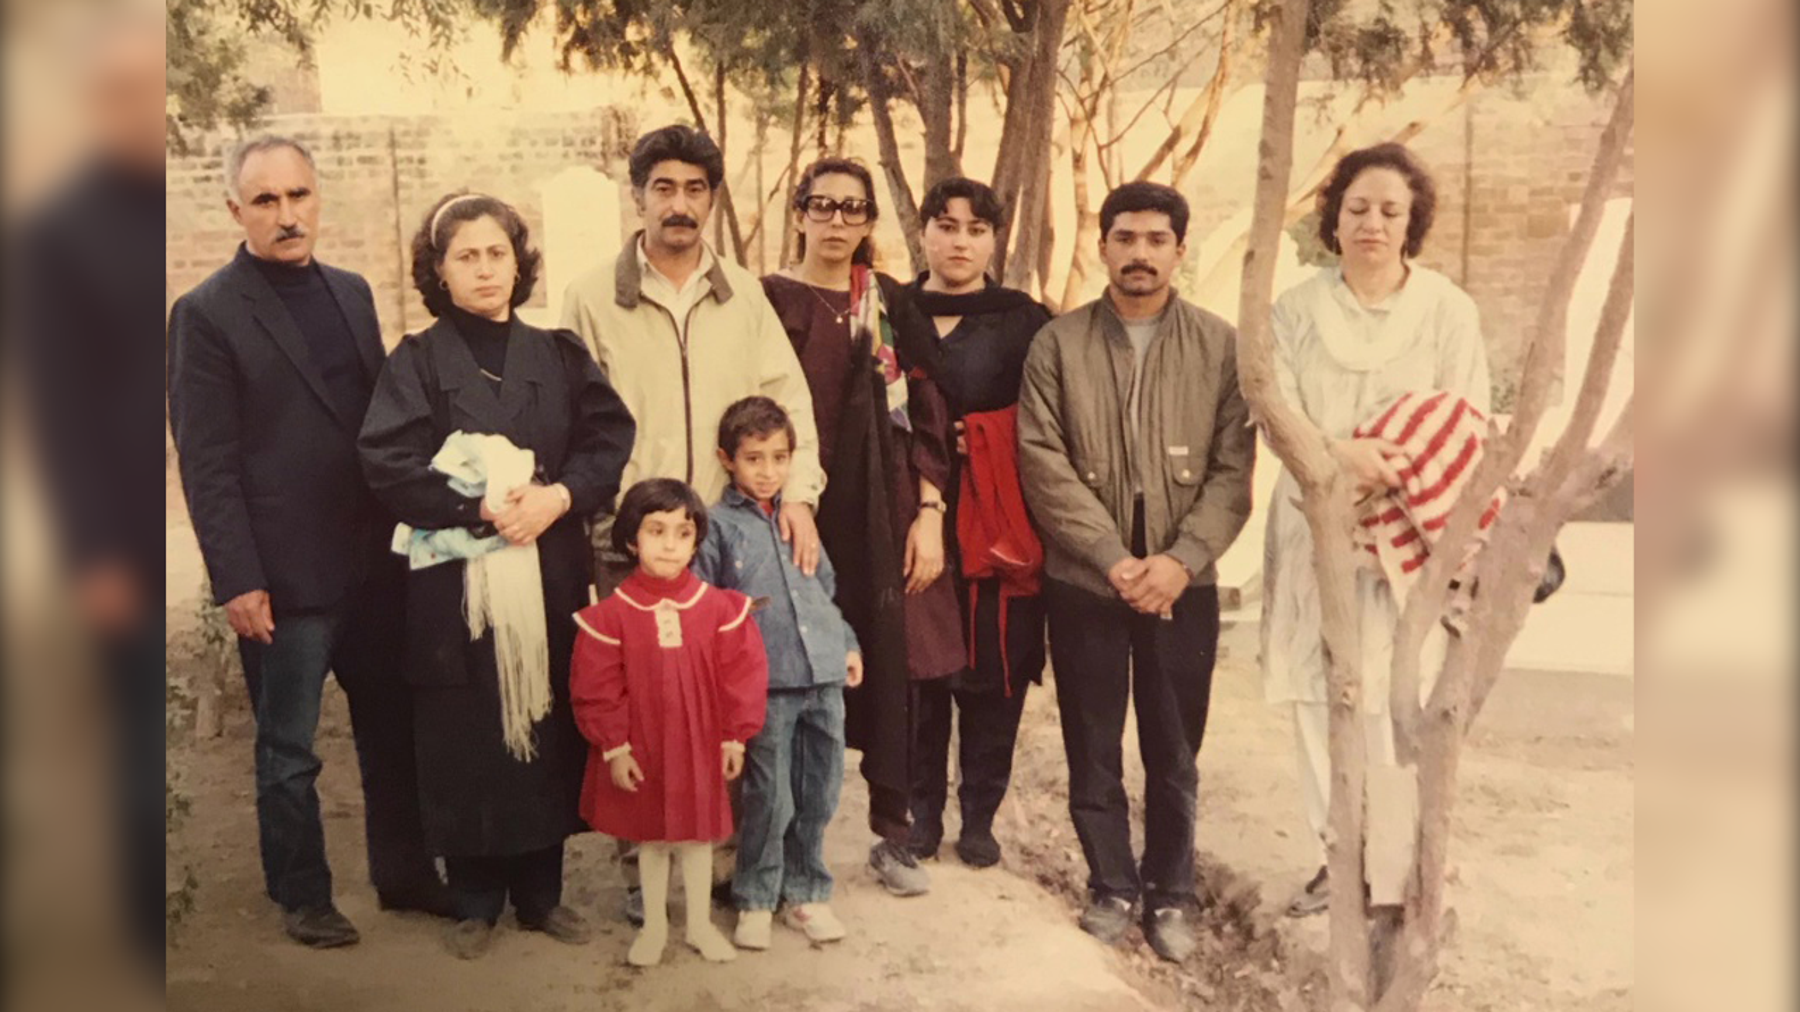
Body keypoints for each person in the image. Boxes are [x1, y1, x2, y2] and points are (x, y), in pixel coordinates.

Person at [167, 135, 447, 949]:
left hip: (372, 562)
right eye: (266, 201)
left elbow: (378, 429)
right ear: (235, 211)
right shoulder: (206, 315)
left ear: (318, 198)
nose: (287, 216)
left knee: (392, 727)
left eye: (298, 197)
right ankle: (301, 892)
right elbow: (208, 463)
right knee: (287, 748)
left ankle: (403, 875)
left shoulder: (353, 294)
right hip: (284, 577)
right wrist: (237, 580)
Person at [357, 191, 636, 959]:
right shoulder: (415, 362)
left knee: (541, 716)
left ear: (520, 263)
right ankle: (475, 897)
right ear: (438, 271)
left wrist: (558, 497)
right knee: (467, 726)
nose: (485, 269)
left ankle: (542, 895)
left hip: (544, 566)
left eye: (498, 253)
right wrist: (476, 506)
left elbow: (607, 437)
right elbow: (387, 460)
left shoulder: (558, 354)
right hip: (456, 584)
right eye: (466, 256)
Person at [560, 124, 825, 922]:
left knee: (725, 698)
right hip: (635, 537)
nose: (680, 205)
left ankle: (722, 862)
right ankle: (644, 864)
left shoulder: (741, 294)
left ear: (712, 199)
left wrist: (799, 492)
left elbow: (788, 399)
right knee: (641, 705)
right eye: (664, 188)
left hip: (730, 532)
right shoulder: (589, 296)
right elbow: (574, 419)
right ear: (637, 195)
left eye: (695, 190)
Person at [1017, 181, 1255, 962]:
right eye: (1126, 238)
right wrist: (1115, 559)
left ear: (1180, 250)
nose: (1140, 254)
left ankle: (1174, 893)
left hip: (1183, 586)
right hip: (1088, 581)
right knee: (1093, 739)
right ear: (1103, 246)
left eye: (1157, 239)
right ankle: (1111, 885)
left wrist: (1180, 563)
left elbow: (1232, 472)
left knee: (1175, 748)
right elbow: (1042, 462)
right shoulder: (1059, 345)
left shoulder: (1219, 346)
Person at [1261, 144, 1490, 918]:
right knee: (1316, 685)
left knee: (1396, 687)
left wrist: (1395, 465)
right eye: (1358, 207)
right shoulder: (1294, 308)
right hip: (1314, 516)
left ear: (1412, 221)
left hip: (1409, 525)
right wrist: (1338, 458)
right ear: (1334, 217)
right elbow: (1277, 408)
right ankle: (1337, 856)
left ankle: (1398, 867)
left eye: (1391, 210)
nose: (1373, 223)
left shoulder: (1448, 310)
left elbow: (1463, 415)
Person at [762, 157, 965, 899]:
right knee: (788, 670)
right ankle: (778, 842)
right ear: (800, 212)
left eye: (854, 210)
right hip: (795, 505)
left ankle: (894, 834)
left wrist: (932, 514)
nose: (839, 222)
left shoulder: (887, 304)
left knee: (894, 668)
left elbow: (932, 416)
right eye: (824, 206)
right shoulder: (769, 299)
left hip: (887, 511)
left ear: (870, 222)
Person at [12, 4, 167, 962]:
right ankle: (141, 925)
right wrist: (93, 553)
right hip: (112, 529)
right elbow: (54, 414)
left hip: (167, 515)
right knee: (131, 735)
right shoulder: (58, 234)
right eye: (119, 94)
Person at [901, 177, 1052, 869]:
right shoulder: (890, 311)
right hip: (912, 512)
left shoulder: (1025, 320)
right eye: (946, 225)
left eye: (975, 229)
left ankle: (980, 817)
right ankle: (922, 814)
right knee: (923, 669)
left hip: (998, 515)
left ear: (995, 239)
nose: (959, 241)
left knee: (996, 667)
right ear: (923, 231)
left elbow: (1054, 420)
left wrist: (993, 434)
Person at [570, 479, 769, 967]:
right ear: (632, 541)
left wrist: (734, 737)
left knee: (699, 838)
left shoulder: (719, 608)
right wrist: (615, 747)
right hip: (646, 745)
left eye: (682, 533)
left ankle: (698, 926)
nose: (669, 545)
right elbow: (596, 688)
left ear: (696, 540)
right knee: (653, 838)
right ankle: (655, 927)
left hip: (700, 742)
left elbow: (740, 676)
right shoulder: (611, 616)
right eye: (656, 531)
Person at [692, 397, 862, 950]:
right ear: (727, 460)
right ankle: (757, 894)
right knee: (769, 794)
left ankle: (807, 891)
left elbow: (825, 589)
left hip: (823, 674)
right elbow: (707, 609)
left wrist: (849, 644)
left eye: (779, 458)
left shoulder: (797, 518)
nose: (768, 471)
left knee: (821, 788)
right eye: (754, 459)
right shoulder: (716, 527)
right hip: (764, 682)